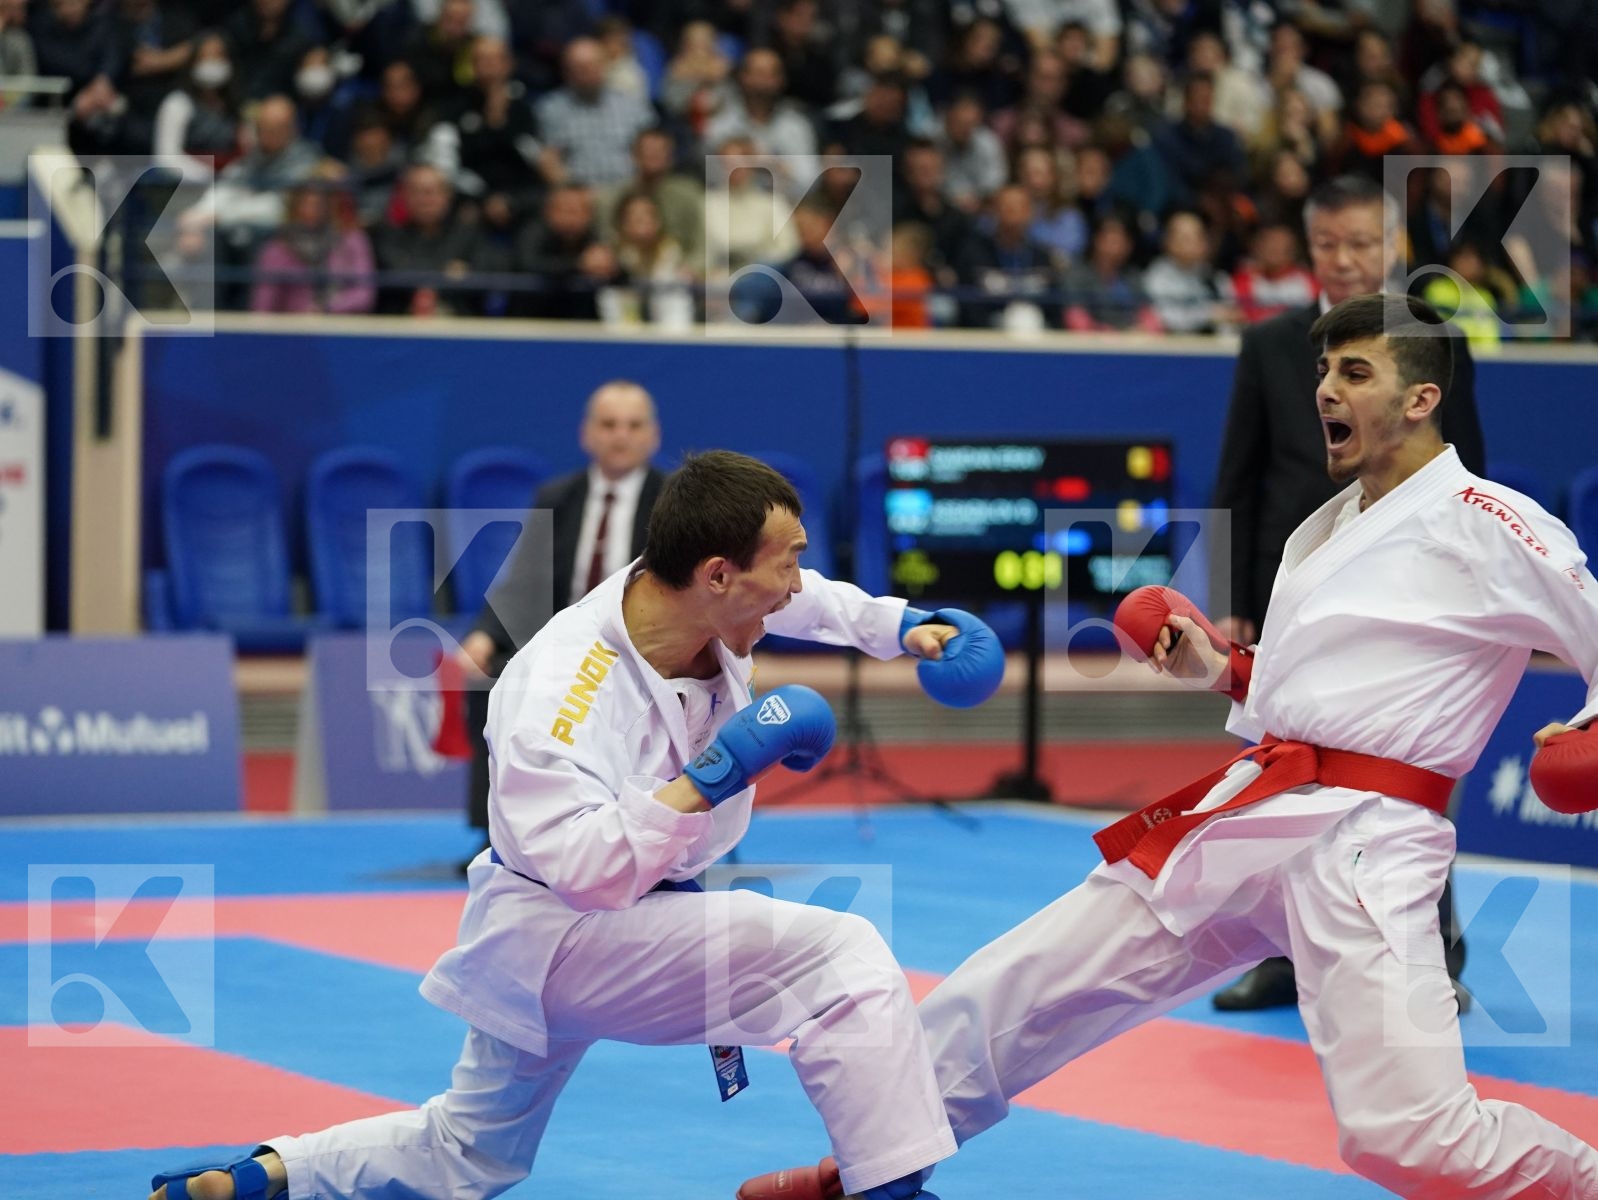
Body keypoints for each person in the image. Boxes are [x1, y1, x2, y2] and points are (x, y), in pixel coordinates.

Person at [740, 292, 1598, 1200]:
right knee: (1023, 980)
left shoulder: (1488, 517)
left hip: (1370, 839)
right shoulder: (1332, 519)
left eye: (1355, 372)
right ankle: (875, 1171)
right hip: (1262, 806)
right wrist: (1217, 664)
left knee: (1405, 1137)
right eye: (1321, 371)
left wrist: (1587, 725)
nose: (1325, 392)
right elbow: (1309, 688)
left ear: (1421, 399)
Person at [151, 449, 1007, 1200]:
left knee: (465, 1156)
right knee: (843, 954)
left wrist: (902, 627)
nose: (791, 585)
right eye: (780, 567)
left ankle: (271, 1177)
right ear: (716, 574)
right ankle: (888, 1189)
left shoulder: (703, 595)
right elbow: (588, 869)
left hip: (615, 921)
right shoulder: (558, 690)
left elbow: (808, 598)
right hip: (568, 931)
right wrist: (718, 771)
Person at [1209, 173, 1486, 1010]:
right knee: (1278, 774)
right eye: (1327, 244)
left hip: (1404, 594)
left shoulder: (1437, 343)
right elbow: (1238, 475)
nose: (1344, 259)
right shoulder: (1268, 345)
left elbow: (1466, 473)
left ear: (1391, 246)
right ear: (1309, 247)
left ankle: (1432, 955)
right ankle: (1283, 956)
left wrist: (1467, 599)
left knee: (1404, 770)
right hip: (1289, 590)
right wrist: (1230, 597)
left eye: (1361, 243)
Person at [456, 380, 667, 863]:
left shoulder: (677, 500)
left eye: (633, 426)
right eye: (609, 425)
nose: (620, 436)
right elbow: (522, 580)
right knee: (490, 682)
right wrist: (485, 635)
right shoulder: (558, 496)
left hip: (644, 647)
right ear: (586, 434)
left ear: (652, 436)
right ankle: (498, 830)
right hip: (561, 643)